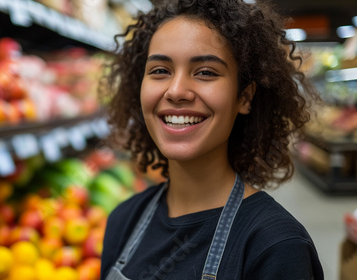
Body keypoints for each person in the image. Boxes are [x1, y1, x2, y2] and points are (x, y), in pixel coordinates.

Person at [98, 0, 324, 279]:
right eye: (160, 71)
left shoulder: (275, 245)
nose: (177, 90)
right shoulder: (123, 220)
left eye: (205, 72)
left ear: (244, 97)